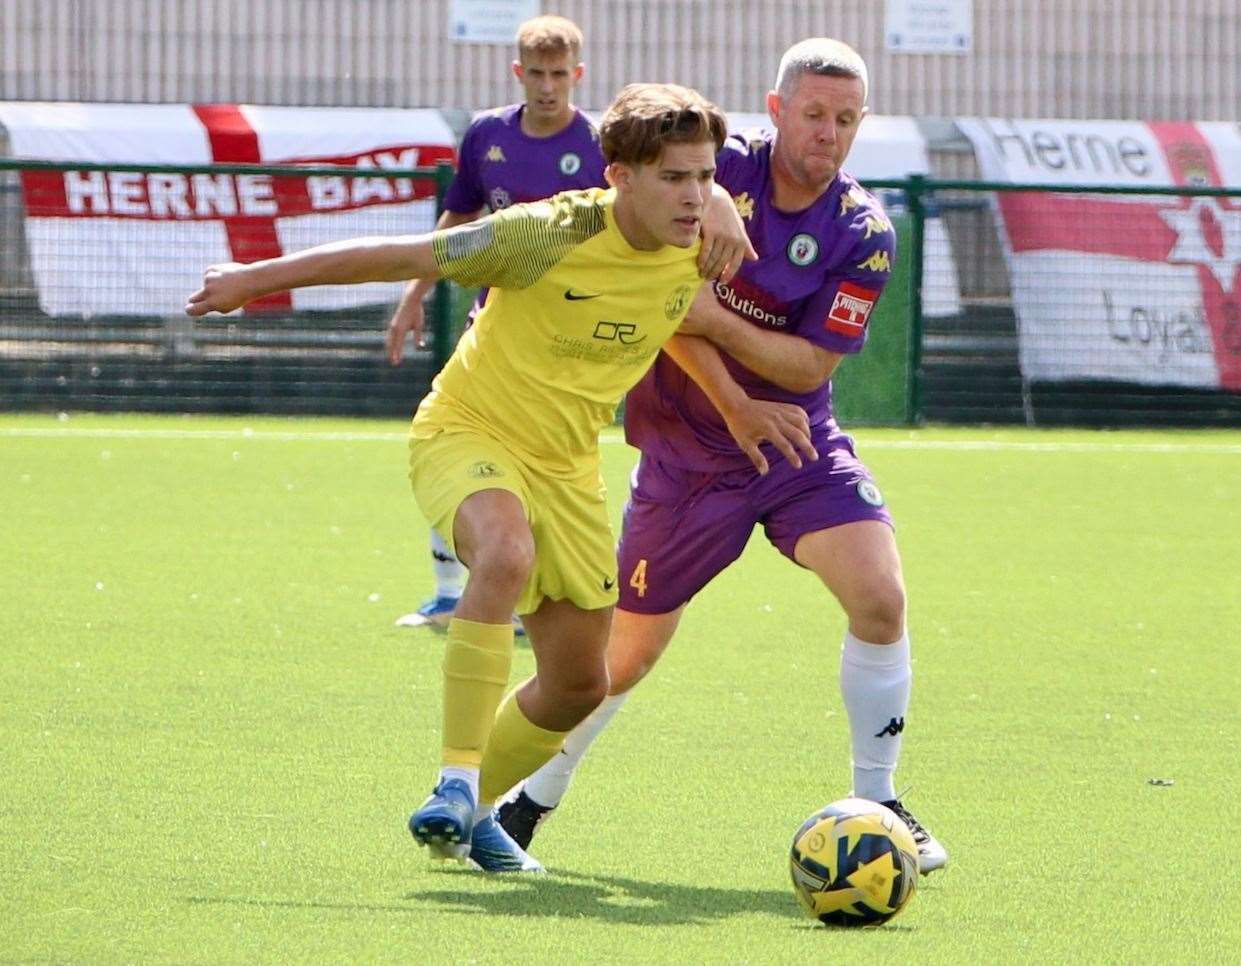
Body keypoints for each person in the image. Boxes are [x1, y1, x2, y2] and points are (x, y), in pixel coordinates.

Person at [186, 82, 813, 873]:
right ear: (617, 178)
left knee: (580, 683)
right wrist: (253, 277)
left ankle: (477, 807)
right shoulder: (543, 234)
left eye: (703, 176)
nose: (693, 195)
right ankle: (452, 781)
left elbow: (673, 317)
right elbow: (405, 255)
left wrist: (734, 399)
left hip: (566, 464)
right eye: (674, 179)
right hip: (468, 431)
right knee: (503, 555)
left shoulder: (702, 237)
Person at [499, 38, 949, 874]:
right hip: (684, 455)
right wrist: (726, 384)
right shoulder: (704, 173)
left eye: (845, 120)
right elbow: (657, 301)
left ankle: (881, 801)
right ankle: (525, 802)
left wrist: (710, 318)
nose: (828, 133)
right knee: (619, 661)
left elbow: (807, 365)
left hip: (794, 444)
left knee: (880, 597)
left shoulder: (862, 231)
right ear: (775, 111)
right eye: (812, 114)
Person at [388, 15, 607, 632]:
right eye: (536, 73)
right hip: (495, 325)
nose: (547, 85)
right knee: (453, 438)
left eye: (559, 74)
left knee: (541, 461)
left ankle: (525, 600)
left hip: (567, 337)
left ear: (578, 75)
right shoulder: (487, 133)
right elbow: (456, 219)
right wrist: (414, 297)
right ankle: (445, 593)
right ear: (518, 72)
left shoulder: (598, 144)